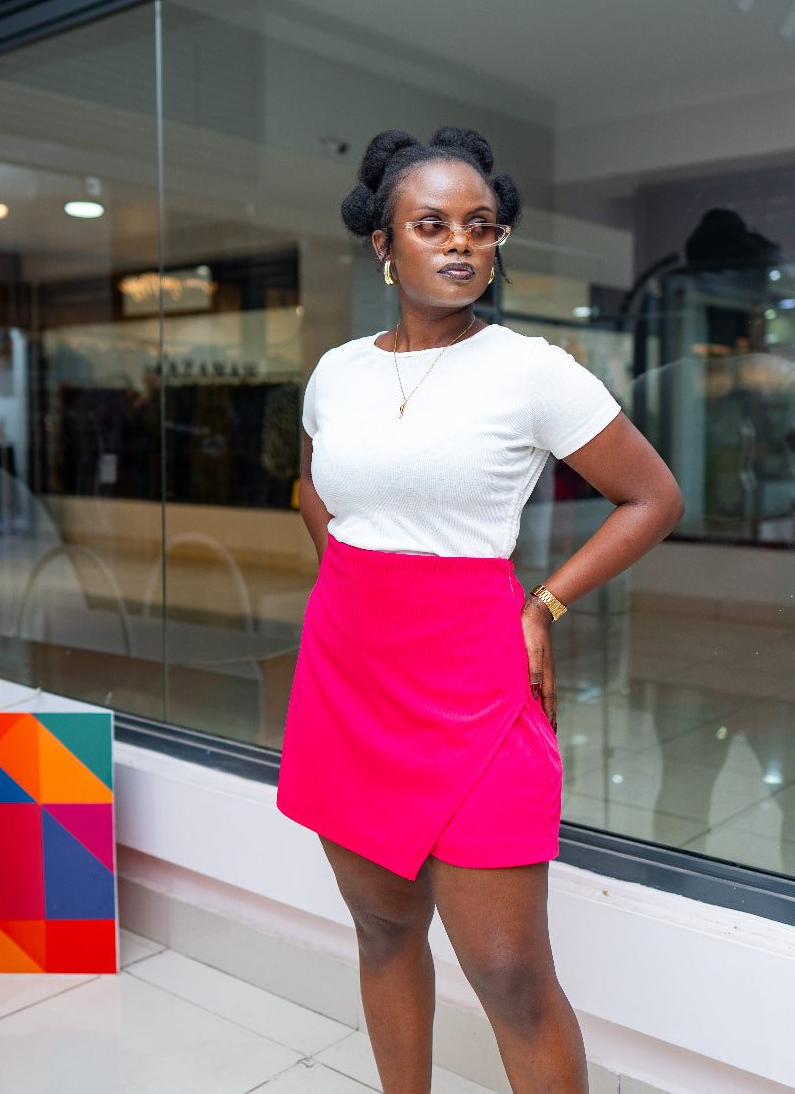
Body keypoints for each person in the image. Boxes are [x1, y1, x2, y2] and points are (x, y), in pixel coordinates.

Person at [277, 127, 684, 1094]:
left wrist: (543, 603)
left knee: (509, 974)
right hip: (349, 679)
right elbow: (311, 489)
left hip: (474, 676)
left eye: (481, 226)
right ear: (384, 245)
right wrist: (354, 581)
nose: (461, 244)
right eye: (432, 225)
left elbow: (654, 497)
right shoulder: (337, 372)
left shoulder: (530, 369)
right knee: (382, 929)